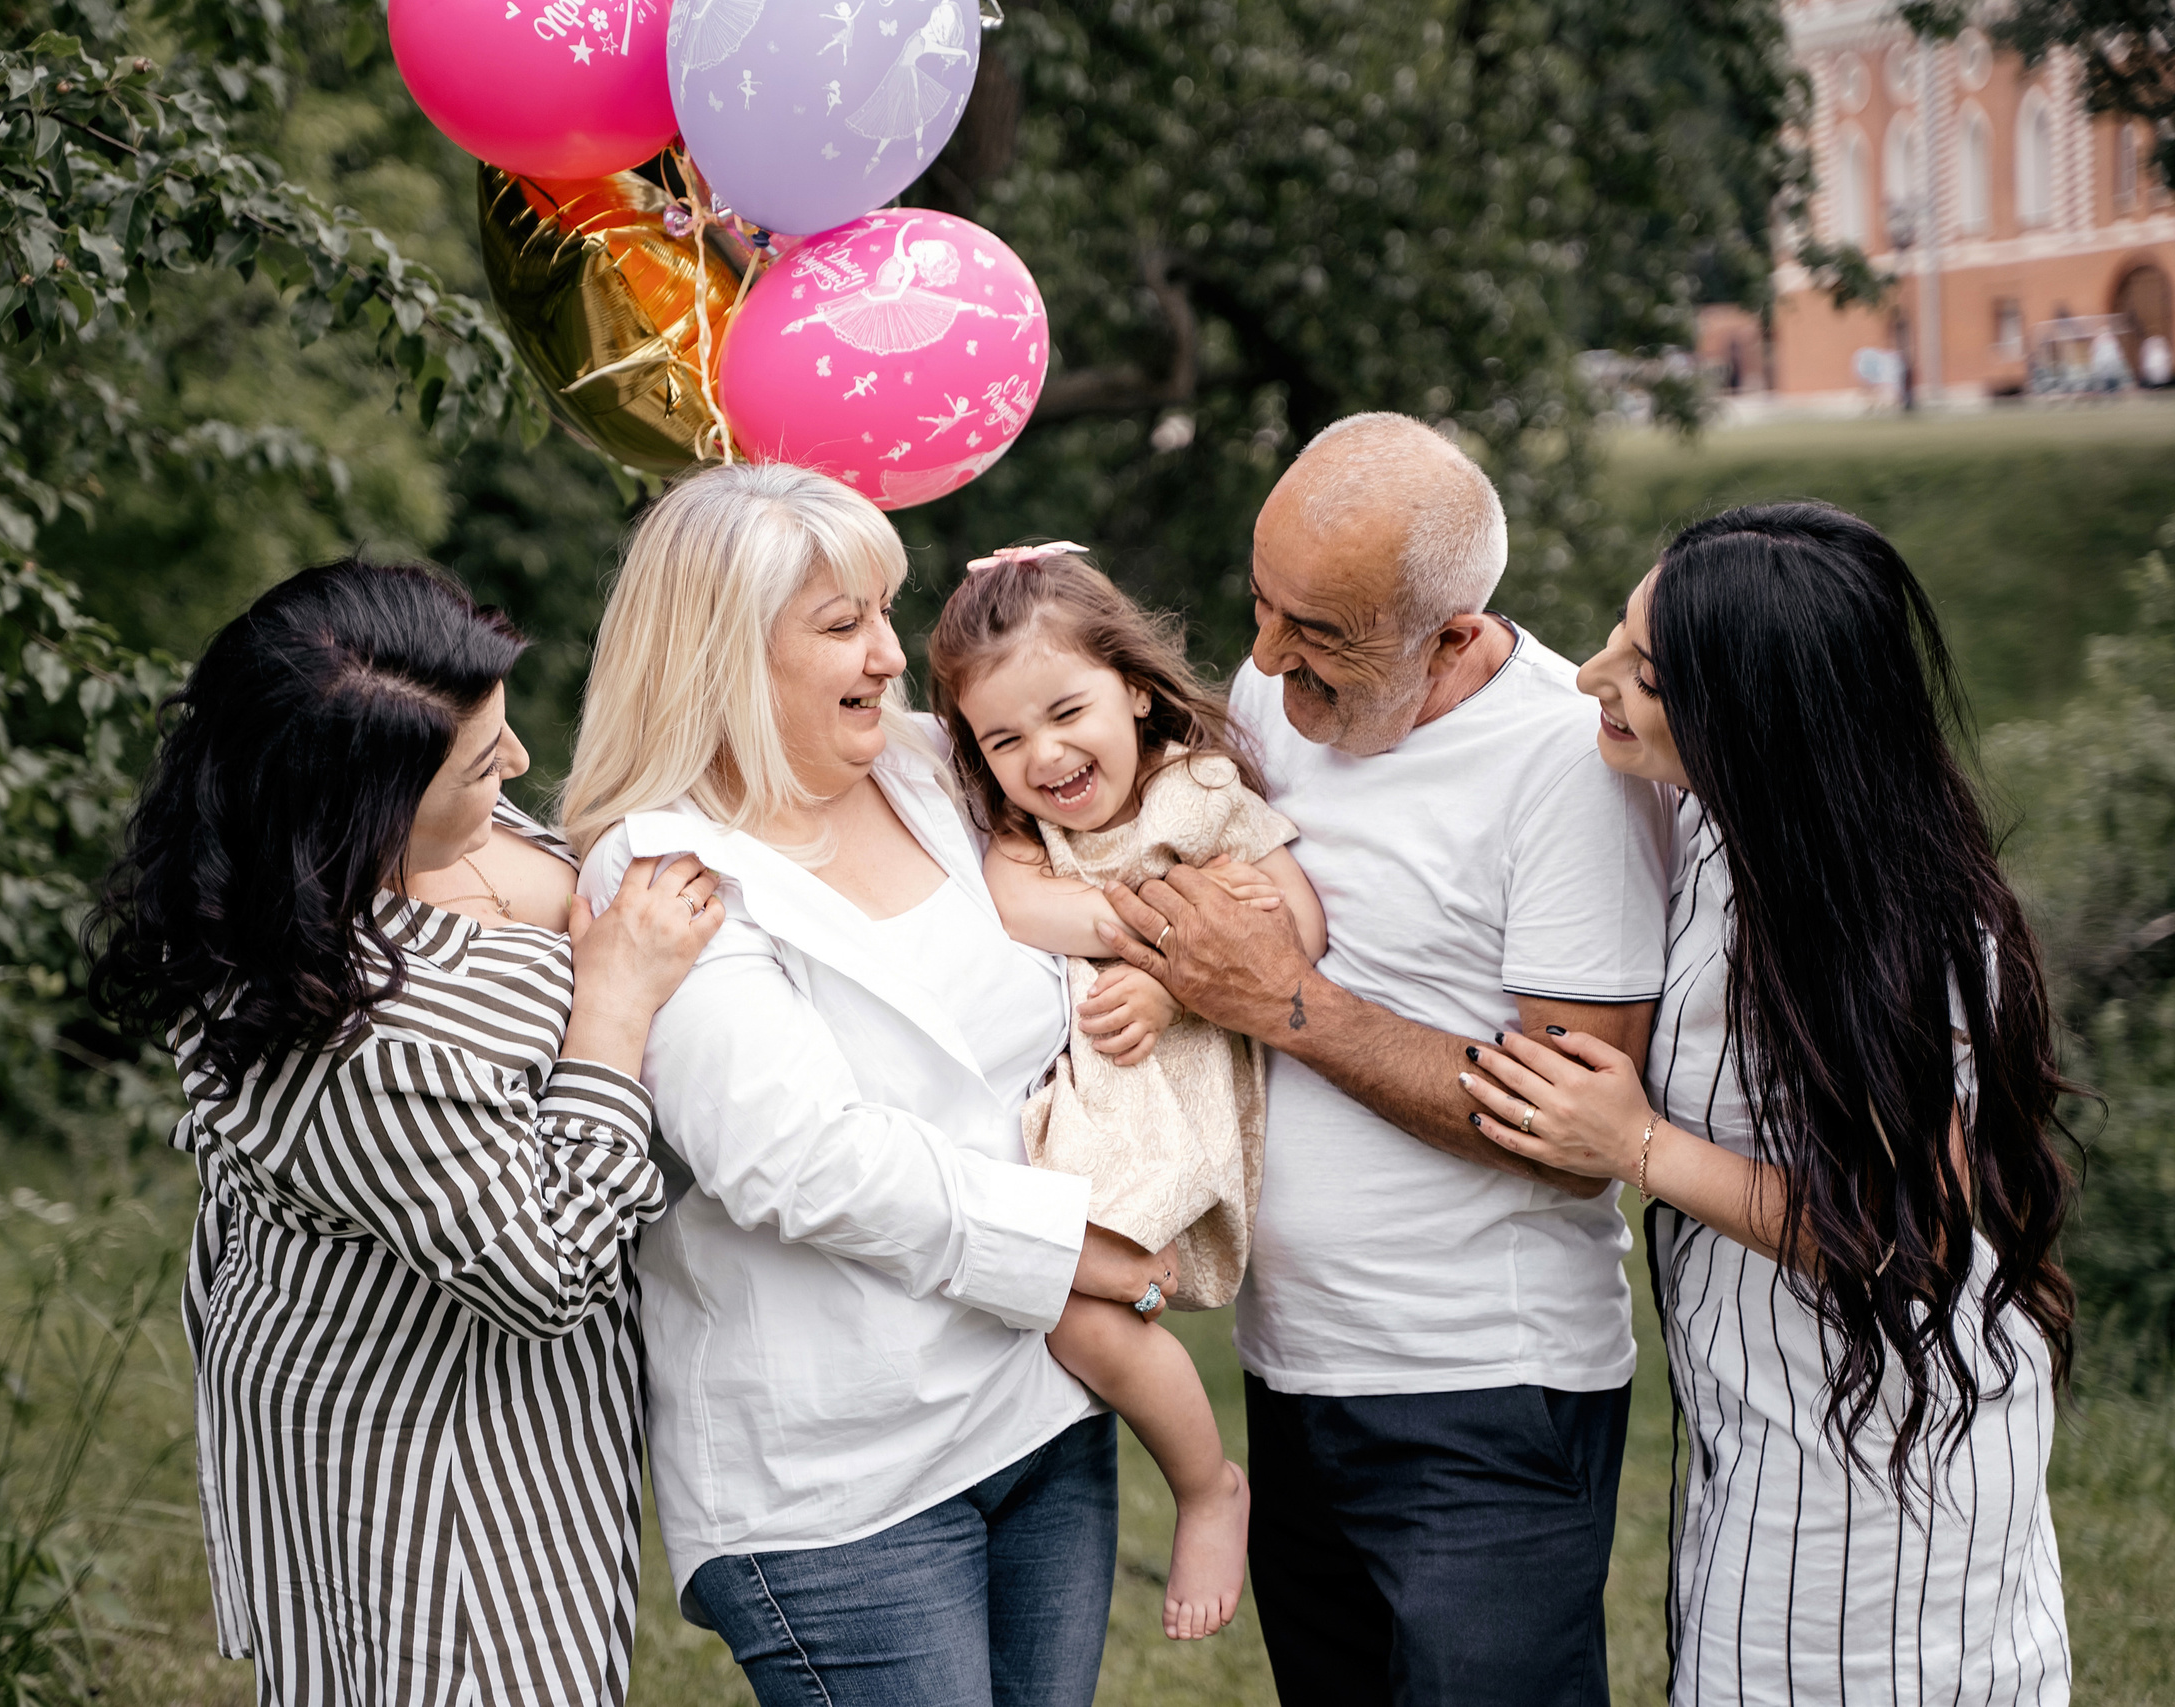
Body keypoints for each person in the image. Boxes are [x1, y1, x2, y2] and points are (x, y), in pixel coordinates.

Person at [561, 464, 1169, 1707]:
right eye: (843, 625)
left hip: (1044, 1407)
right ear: (725, 654)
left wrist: (1048, 597)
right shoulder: (666, 864)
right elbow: (794, 1158)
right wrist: (1073, 1244)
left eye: (886, 613)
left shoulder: (928, 769)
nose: (891, 656)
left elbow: (1129, 804)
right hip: (843, 1474)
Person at [1093, 412, 1673, 1705]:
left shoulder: (1565, 768)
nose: (1264, 657)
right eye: (1261, 605)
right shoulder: (1275, 695)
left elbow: (1572, 1127)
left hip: (1482, 1390)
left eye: (1316, 632)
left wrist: (1286, 1002)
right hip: (1293, 1368)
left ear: (1453, 637)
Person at [1461, 503, 2077, 1704]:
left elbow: (1915, 1235)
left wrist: (1635, 1143)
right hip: (1768, 1425)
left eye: (1644, 672)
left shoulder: (1896, 925)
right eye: (1616, 636)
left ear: (1755, 711)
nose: (1591, 677)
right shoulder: (1717, 825)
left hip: (1882, 1466)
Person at [88, 560, 722, 1706]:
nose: (517, 762)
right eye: (480, 764)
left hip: (453, 1383)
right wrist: (614, 1006)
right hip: (435, 1451)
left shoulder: (390, 829)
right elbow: (542, 1272)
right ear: (360, 806)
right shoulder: (349, 1031)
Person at [927, 539, 1328, 1640]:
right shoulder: (1026, 836)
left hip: (1172, 1101)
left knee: (1068, 1302)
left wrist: (1170, 983)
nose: (1044, 754)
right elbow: (1021, 909)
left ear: (1138, 691)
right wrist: (1177, 929)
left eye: (1067, 712)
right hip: (1093, 1113)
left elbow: (1295, 927)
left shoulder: (1197, 795)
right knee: (1070, 1312)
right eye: (1003, 738)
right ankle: (1207, 1479)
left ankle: (1207, 1488)